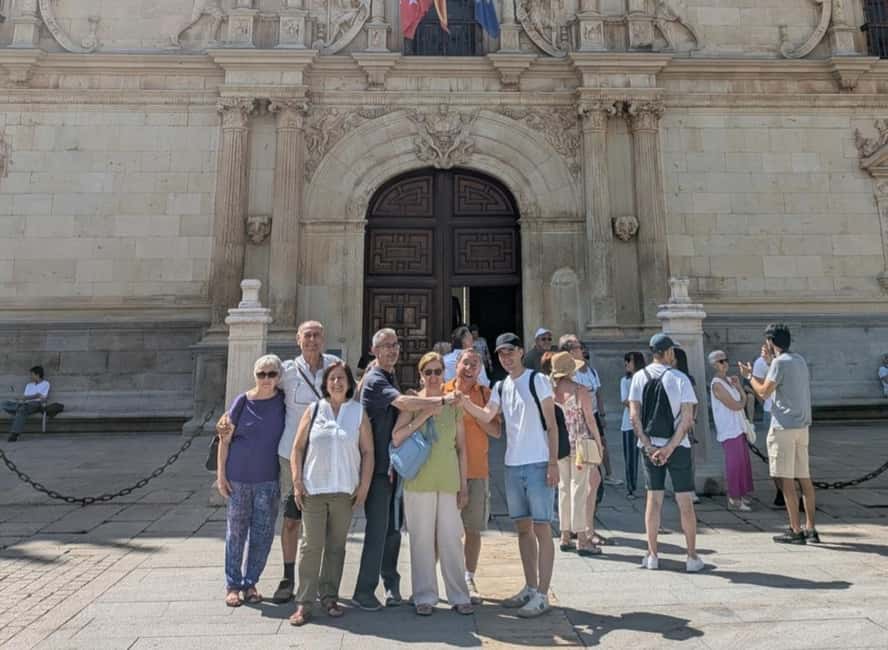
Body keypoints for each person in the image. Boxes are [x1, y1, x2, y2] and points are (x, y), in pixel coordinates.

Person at [216, 320, 340, 604]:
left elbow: (350, 396)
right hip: (289, 457)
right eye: (307, 335)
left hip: (326, 457)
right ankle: (286, 578)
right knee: (290, 519)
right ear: (298, 339)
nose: (312, 340)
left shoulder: (334, 367)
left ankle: (322, 582)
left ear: (324, 338)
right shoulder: (286, 371)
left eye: (317, 335)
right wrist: (224, 422)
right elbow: (257, 392)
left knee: (322, 521)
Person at [353, 328, 462, 611]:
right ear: (374, 351)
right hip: (376, 467)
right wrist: (439, 401)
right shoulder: (376, 378)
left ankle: (390, 585)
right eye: (386, 346)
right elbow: (401, 403)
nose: (392, 350)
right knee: (379, 530)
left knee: (391, 530)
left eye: (395, 345)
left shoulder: (388, 375)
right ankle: (364, 590)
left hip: (391, 467)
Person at [460, 333, 559, 618]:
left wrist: (553, 463)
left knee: (542, 529)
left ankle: (542, 593)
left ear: (520, 352)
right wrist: (463, 402)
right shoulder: (501, 387)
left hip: (539, 463)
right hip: (513, 465)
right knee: (523, 529)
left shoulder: (537, 381)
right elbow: (487, 415)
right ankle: (529, 586)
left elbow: (551, 425)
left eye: (510, 352)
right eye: (501, 354)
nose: (506, 358)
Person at [289, 362, 374, 626]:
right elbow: (298, 448)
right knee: (311, 546)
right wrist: (296, 480)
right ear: (325, 383)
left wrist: (364, 486)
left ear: (349, 384)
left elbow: (368, 452)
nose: (337, 383)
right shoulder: (314, 410)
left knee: (336, 547)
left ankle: (329, 596)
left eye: (341, 379)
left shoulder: (358, 412)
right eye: (332, 378)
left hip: (344, 490)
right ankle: (304, 602)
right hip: (314, 489)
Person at [392, 352, 474, 616]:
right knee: (421, 540)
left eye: (438, 371)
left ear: (444, 374)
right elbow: (397, 438)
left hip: (448, 479)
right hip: (419, 481)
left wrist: (464, 483)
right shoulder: (413, 403)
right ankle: (424, 596)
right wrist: (426, 413)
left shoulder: (455, 404)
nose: (434, 377)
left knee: (451, 538)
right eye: (428, 372)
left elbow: (461, 447)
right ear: (421, 375)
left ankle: (459, 595)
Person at [628, 334, 704, 573]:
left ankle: (652, 555)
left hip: (650, 447)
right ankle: (691, 557)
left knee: (654, 499)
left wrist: (649, 446)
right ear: (669, 352)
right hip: (678, 447)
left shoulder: (639, 377)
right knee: (685, 502)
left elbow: (634, 416)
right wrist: (670, 448)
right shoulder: (681, 378)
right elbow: (688, 419)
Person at [217, 355, 286, 607]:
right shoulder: (242, 401)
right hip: (238, 478)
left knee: (262, 533)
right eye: (261, 374)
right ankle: (233, 585)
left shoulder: (283, 401)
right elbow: (224, 439)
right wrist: (221, 475)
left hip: (268, 479)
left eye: (271, 374)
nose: (266, 379)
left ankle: (251, 582)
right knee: (236, 532)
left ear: (279, 377)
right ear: (254, 376)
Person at [740, 323, 818, 544]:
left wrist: (749, 376)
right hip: (802, 427)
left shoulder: (779, 363)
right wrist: (768, 362)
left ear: (771, 342)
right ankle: (811, 528)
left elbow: (763, 393)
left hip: (783, 427)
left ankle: (795, 529)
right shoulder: (799, 360)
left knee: (785, 481)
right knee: (804, 479)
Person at [443, 348, 501, 604]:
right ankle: (441, 579)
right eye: (466, 363)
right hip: (444, 471)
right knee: (443, 529)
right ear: (457, 364)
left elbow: (496, 431)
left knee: (473, 529)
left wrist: (474, 410)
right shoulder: (442, 390)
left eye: (475, 364)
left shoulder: (485, 394)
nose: (470, 368)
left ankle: (468, 576)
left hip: (476, 469)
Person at [550, 352, 604, 557]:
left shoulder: (551, 391)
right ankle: (581, 537)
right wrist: (598, 443)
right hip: (580, 444)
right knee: (579, 488)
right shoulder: (580, 390)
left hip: (559, 445)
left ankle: (565, 535)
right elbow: (590, 420)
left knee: (563, 488)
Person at [559, 335, 620, 489]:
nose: (583, 352)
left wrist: (602, 414)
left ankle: (606, 473)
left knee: (600, 444)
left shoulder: (592, 372)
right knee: (585, 448)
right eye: (580, 348)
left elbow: (598, 393)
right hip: (579, 418)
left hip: (591, 413)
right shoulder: (573, 375)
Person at [708, 350, 754, 511]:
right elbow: (735, 405)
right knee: (734, 464)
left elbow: (743, 398)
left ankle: (740, 495)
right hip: (728, 428)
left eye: (726, 360)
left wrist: (739, 387)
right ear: (714, 364)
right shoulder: (716, 384)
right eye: (721, 361)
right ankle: (734, 497)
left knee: (743, 463)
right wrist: (742, 402)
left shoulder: (729, 380)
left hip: (739, 426)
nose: (725, 363)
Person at [620, 352, 645, 499]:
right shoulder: (625, 380)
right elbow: (624, 400)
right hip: (629, 423)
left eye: (628, 361)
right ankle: (631, 487)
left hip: (645, 422)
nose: (626, 364)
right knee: (630, 456)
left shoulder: (645, 379)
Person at [3, 366, 50, 442]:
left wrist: (29, 398)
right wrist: (22, 399)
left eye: (32, 374)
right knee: (4, 403)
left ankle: (14, 434)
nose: (30, 376)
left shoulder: (46, 384)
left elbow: (43, 399)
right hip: (25, 403)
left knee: (22, 409)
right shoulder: (29, 385)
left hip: (36, 404)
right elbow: (25, 397)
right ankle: (18, 407)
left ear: (37, 375)